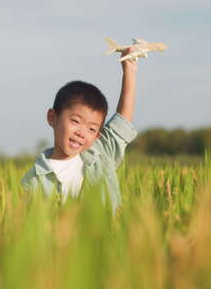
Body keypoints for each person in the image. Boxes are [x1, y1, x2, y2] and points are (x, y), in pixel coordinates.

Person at [21, 49, 138, 214]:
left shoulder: (101, 152)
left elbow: (123, 122)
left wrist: (130, 71)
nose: (82, 133)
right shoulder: (34, 181)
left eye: (91, 129)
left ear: (97, 135)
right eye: (75, 121)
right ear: (52, 117)